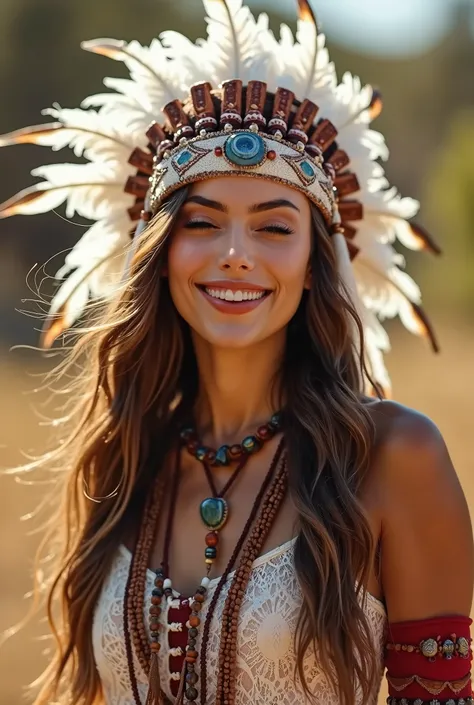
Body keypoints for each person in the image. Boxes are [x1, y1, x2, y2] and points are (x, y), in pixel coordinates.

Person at [1, 1, 472, 704]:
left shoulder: (394, 457)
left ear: (317, 262)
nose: (234, 256)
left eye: (273, 228)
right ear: (160, 253)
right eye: (202, 221)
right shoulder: (128, 459)